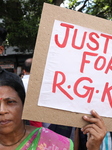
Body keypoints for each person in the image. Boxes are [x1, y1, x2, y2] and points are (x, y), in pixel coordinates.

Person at [0, 67, 106, 150]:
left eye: (10, 102)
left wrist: (93, 148)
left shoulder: (56, 144)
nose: (2, 110)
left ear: (24, 105)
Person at [22, 58, 42, 128]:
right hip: (39, 119)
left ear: (24, 71)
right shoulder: (42, 84)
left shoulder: (19, 83)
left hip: (23, 119)